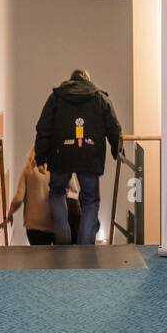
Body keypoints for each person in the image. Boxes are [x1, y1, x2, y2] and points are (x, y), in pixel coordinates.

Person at [33, 69, 122, 246]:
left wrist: (40, 157)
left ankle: (63, 240)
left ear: (70, 81)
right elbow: (114, 127)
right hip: (89, 155)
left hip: (61, 155)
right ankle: (85, 247)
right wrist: (117, 150)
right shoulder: (99, 98)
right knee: (91, 200)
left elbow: (43, 128)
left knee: (57, 193)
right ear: (88, 80)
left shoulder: (56, 98)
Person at [6, 149, 80, 246]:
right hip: (58, 223)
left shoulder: (28, 170)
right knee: (60, 260)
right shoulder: (63, 169)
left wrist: (10, 212)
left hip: (35, 226)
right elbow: (76, 194)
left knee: (39, 260)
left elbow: (19, 198)